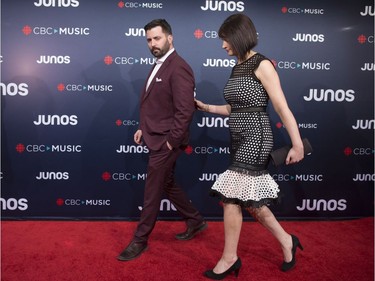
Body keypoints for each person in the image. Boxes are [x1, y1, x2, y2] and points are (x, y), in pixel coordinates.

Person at [195, 14, 304, 279]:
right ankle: (287, 241)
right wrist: (206, 107)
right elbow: (235, 107)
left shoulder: (262, 64)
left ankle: (229, 258)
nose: (223, 46)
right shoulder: (236, 68)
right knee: (252, 203)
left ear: (239, 36)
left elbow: (281, 106)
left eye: (226, 40)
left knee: (231, 196)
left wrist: (297, 143)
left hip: (257, 136)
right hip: (238, 137)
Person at [117, 19, 207, 261]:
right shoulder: (160, 64)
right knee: (166, 182)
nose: (152, 44)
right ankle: (195, 220)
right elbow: (157, 103)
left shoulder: (178, 67)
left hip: (166, 142)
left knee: (152, 190)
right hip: (155, 135)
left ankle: (140, 240)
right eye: (148, 40)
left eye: (157, 38)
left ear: (170, 37)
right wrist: (143, 128)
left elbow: (184, 110)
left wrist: (171, 142)